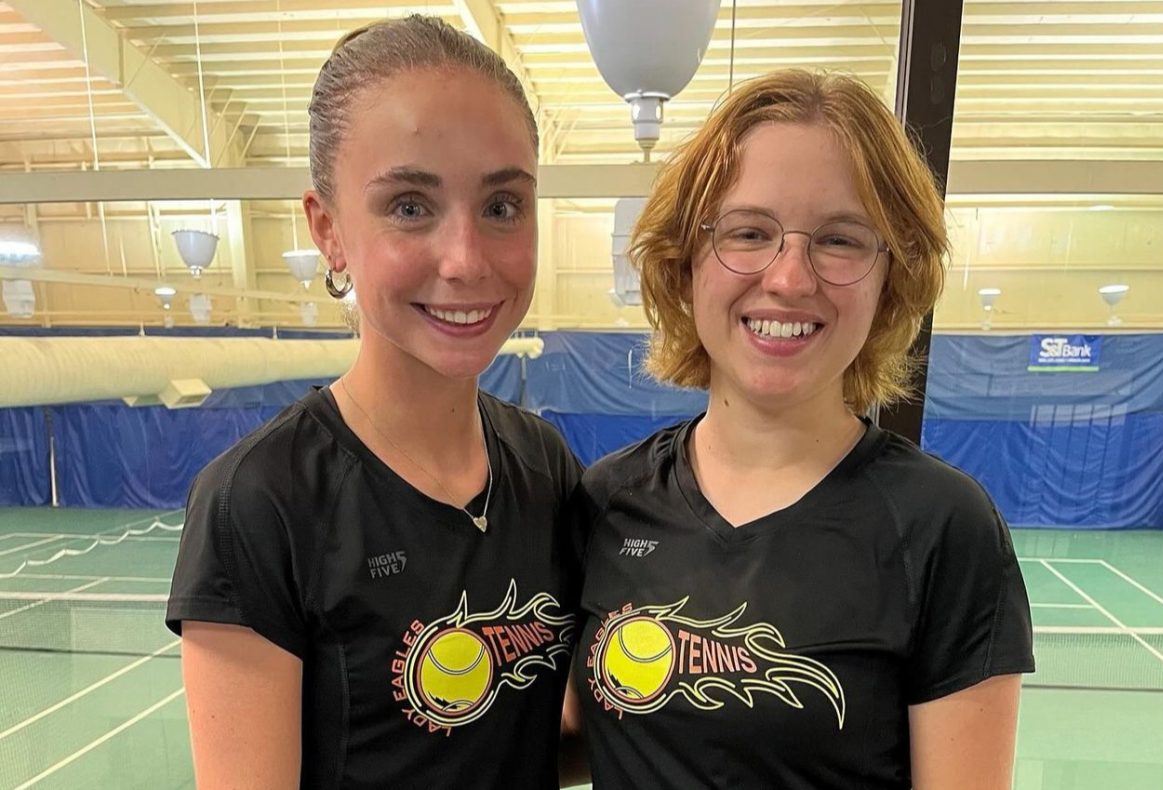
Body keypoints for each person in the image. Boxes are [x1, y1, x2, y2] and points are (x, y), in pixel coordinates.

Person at [568, 69, 1035, 789]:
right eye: (748, 232)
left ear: (891, 277)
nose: (789, 277)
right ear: (685, 261)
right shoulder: (603, 502)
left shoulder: (943, 528)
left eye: (840, 240)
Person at [167, 16, 582, 789]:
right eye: (409, 206)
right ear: (328, 231)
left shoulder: (543, 466)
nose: (464, 261)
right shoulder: (259, 504)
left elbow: (517, 746)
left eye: (501, 207)